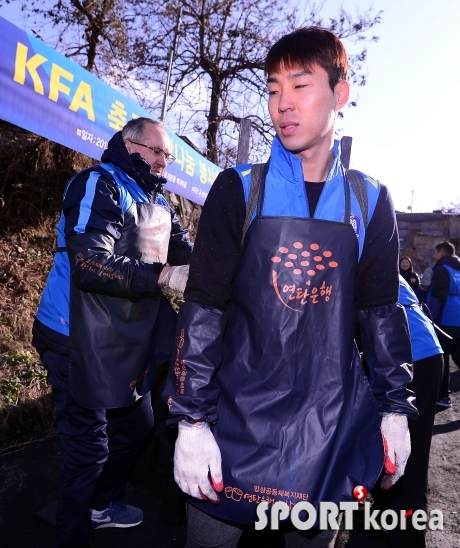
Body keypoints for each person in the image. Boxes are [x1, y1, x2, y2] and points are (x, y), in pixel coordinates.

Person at [164, 27, 417, 547]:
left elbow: (379, 312)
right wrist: (190, 421)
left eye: (300, 86)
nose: (283, 103)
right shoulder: (239, 188)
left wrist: (395, 409)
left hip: (327, 429)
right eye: (274, 89)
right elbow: (204, 306)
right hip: (232, 419)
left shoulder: (369, 200)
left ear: (339, 94)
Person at [32, 117, 193, 548]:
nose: (163, 162)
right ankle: (73, 533)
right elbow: (89, 264)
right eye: (157, 151)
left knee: (138, 427)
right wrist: (161, 278)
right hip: (73, 337)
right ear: (129, 143)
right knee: (89, 449)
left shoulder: (161, 202)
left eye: (168, 156)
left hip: (122, 341)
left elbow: (188, 254)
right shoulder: (97, 184)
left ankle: (98, 507)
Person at [352, 276, 443, 548]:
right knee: (389, 445)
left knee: (405, 453)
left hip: (404, 359)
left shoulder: (349, 244)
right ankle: (389, 516)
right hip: (419, 351)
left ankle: (408, 536)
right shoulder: (375, 249)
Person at [427, 241, 460, 408]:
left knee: (443, 359)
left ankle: (443, 397)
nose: (434, 257)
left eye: (435, 253)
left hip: (446, 322)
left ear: (441, 252)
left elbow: (438, 297)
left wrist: (429, 318)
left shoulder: (442, 270)